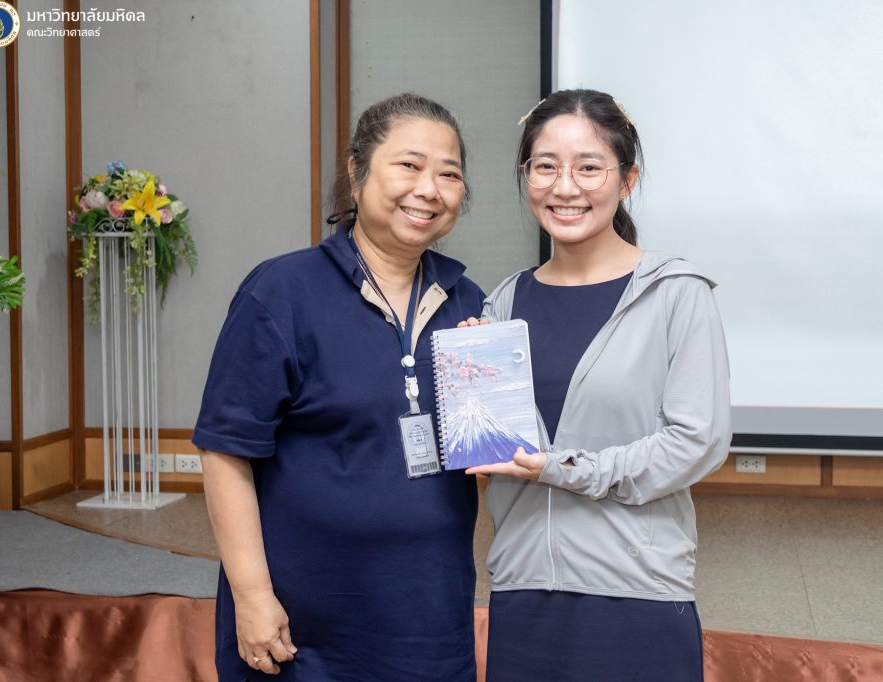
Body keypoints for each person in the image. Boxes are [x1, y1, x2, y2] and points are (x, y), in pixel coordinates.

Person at [193, 93, 484, 681]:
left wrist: (493, 399)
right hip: (306, 622)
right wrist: (252, 596)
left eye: (449, 174)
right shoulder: (282, 291)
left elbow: (484, 459)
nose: (429, 189)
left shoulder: (469, 304)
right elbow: (225, 451)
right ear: (356, 172)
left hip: (431, 612)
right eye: (409, 165)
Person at [465, 89, 731, 681]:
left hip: (636, 592)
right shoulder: (502, 302)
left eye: (589, 167)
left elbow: (698, 442)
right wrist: (469, 382)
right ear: (526, 176)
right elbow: (493, 454)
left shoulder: (676, 293)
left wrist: (563, 468)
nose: (565, 187)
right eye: (546, 166)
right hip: (523, 589)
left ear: (627, 179)